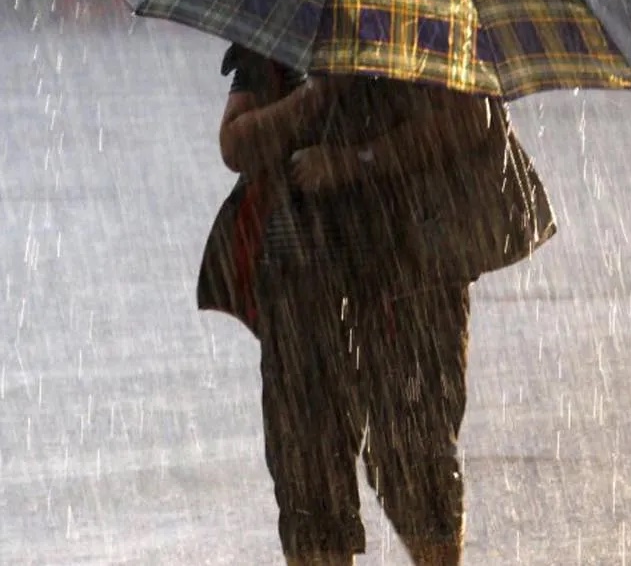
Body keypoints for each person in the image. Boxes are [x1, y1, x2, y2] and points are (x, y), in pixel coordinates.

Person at [204, 42, 553, 566]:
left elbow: (473, 118)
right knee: (306, 467)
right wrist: (317, 98)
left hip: (413, 267)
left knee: (414, 459)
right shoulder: (288, 17)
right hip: (302, 270)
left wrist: (356, 162)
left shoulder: (428, 10)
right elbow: (235, 143)